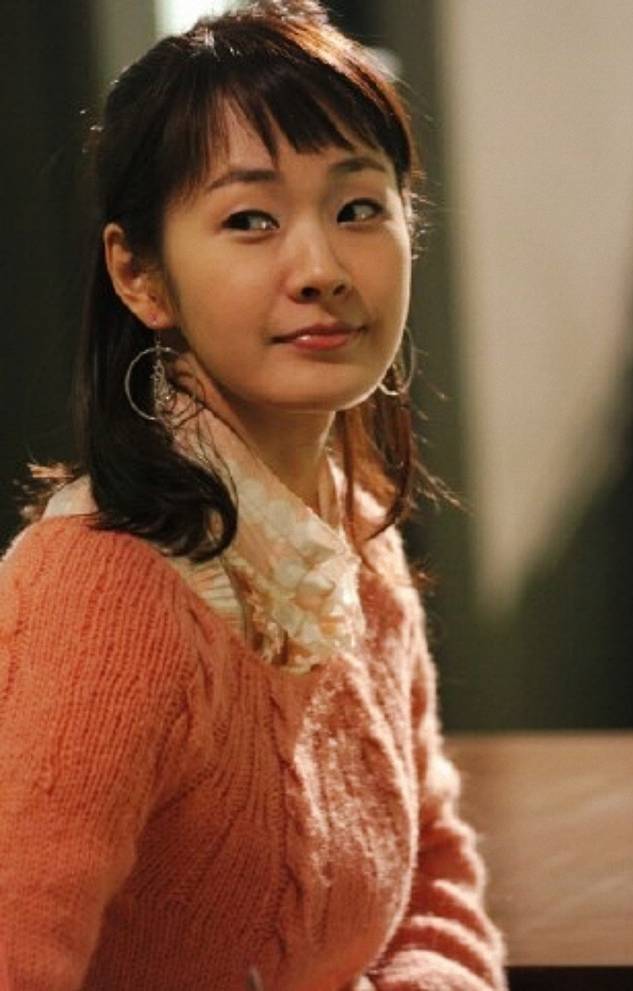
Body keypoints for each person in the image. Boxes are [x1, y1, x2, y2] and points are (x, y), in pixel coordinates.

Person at [0, 2, 507, 989]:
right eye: (249, 220)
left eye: (358, 209)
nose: (321, 269)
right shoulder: (101, 590)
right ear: (139, 275)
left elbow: (432, 878)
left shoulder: (352, 533)